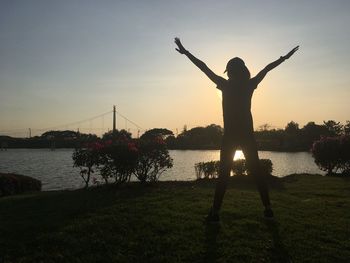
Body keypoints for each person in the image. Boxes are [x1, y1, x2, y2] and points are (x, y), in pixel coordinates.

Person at [174, 37, 299, 222]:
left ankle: (215, 214)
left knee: (223, 175)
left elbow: (203, 67)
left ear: (231, 71)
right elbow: (267, 68)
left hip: (230, 136)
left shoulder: (225, 84)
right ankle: (268, 210)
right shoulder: (249, 85)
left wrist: (186, 53)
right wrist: (285, 58)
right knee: (256, 172)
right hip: (247, 135)